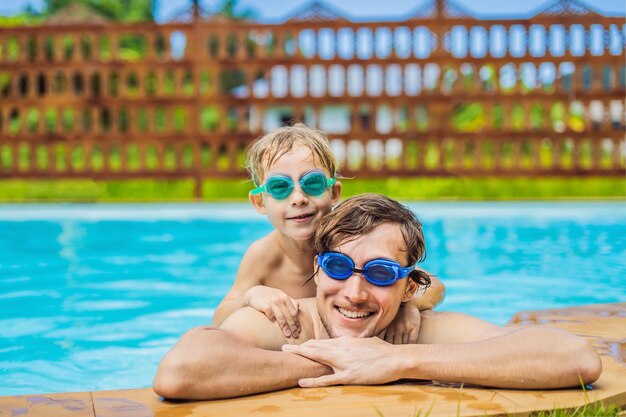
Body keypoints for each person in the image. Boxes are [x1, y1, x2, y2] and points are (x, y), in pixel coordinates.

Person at [153, 194, 602, 400]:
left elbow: (575, 357)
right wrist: (343, 360)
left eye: (382, 273)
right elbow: (179, 371)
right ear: (317, 268)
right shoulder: (289, 324)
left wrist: (398, 361)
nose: (354, 292)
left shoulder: (419, 332)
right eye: (338, 267)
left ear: (410, 287)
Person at [211, 124, 445, 343]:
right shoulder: (263, 256)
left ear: (334, 192)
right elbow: (218, 322)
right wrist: (251, 296)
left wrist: (410, 305)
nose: (299, 199)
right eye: (280, 188)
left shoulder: (349, 241)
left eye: (312, 184)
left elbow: (432, 284)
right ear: (260, 201)